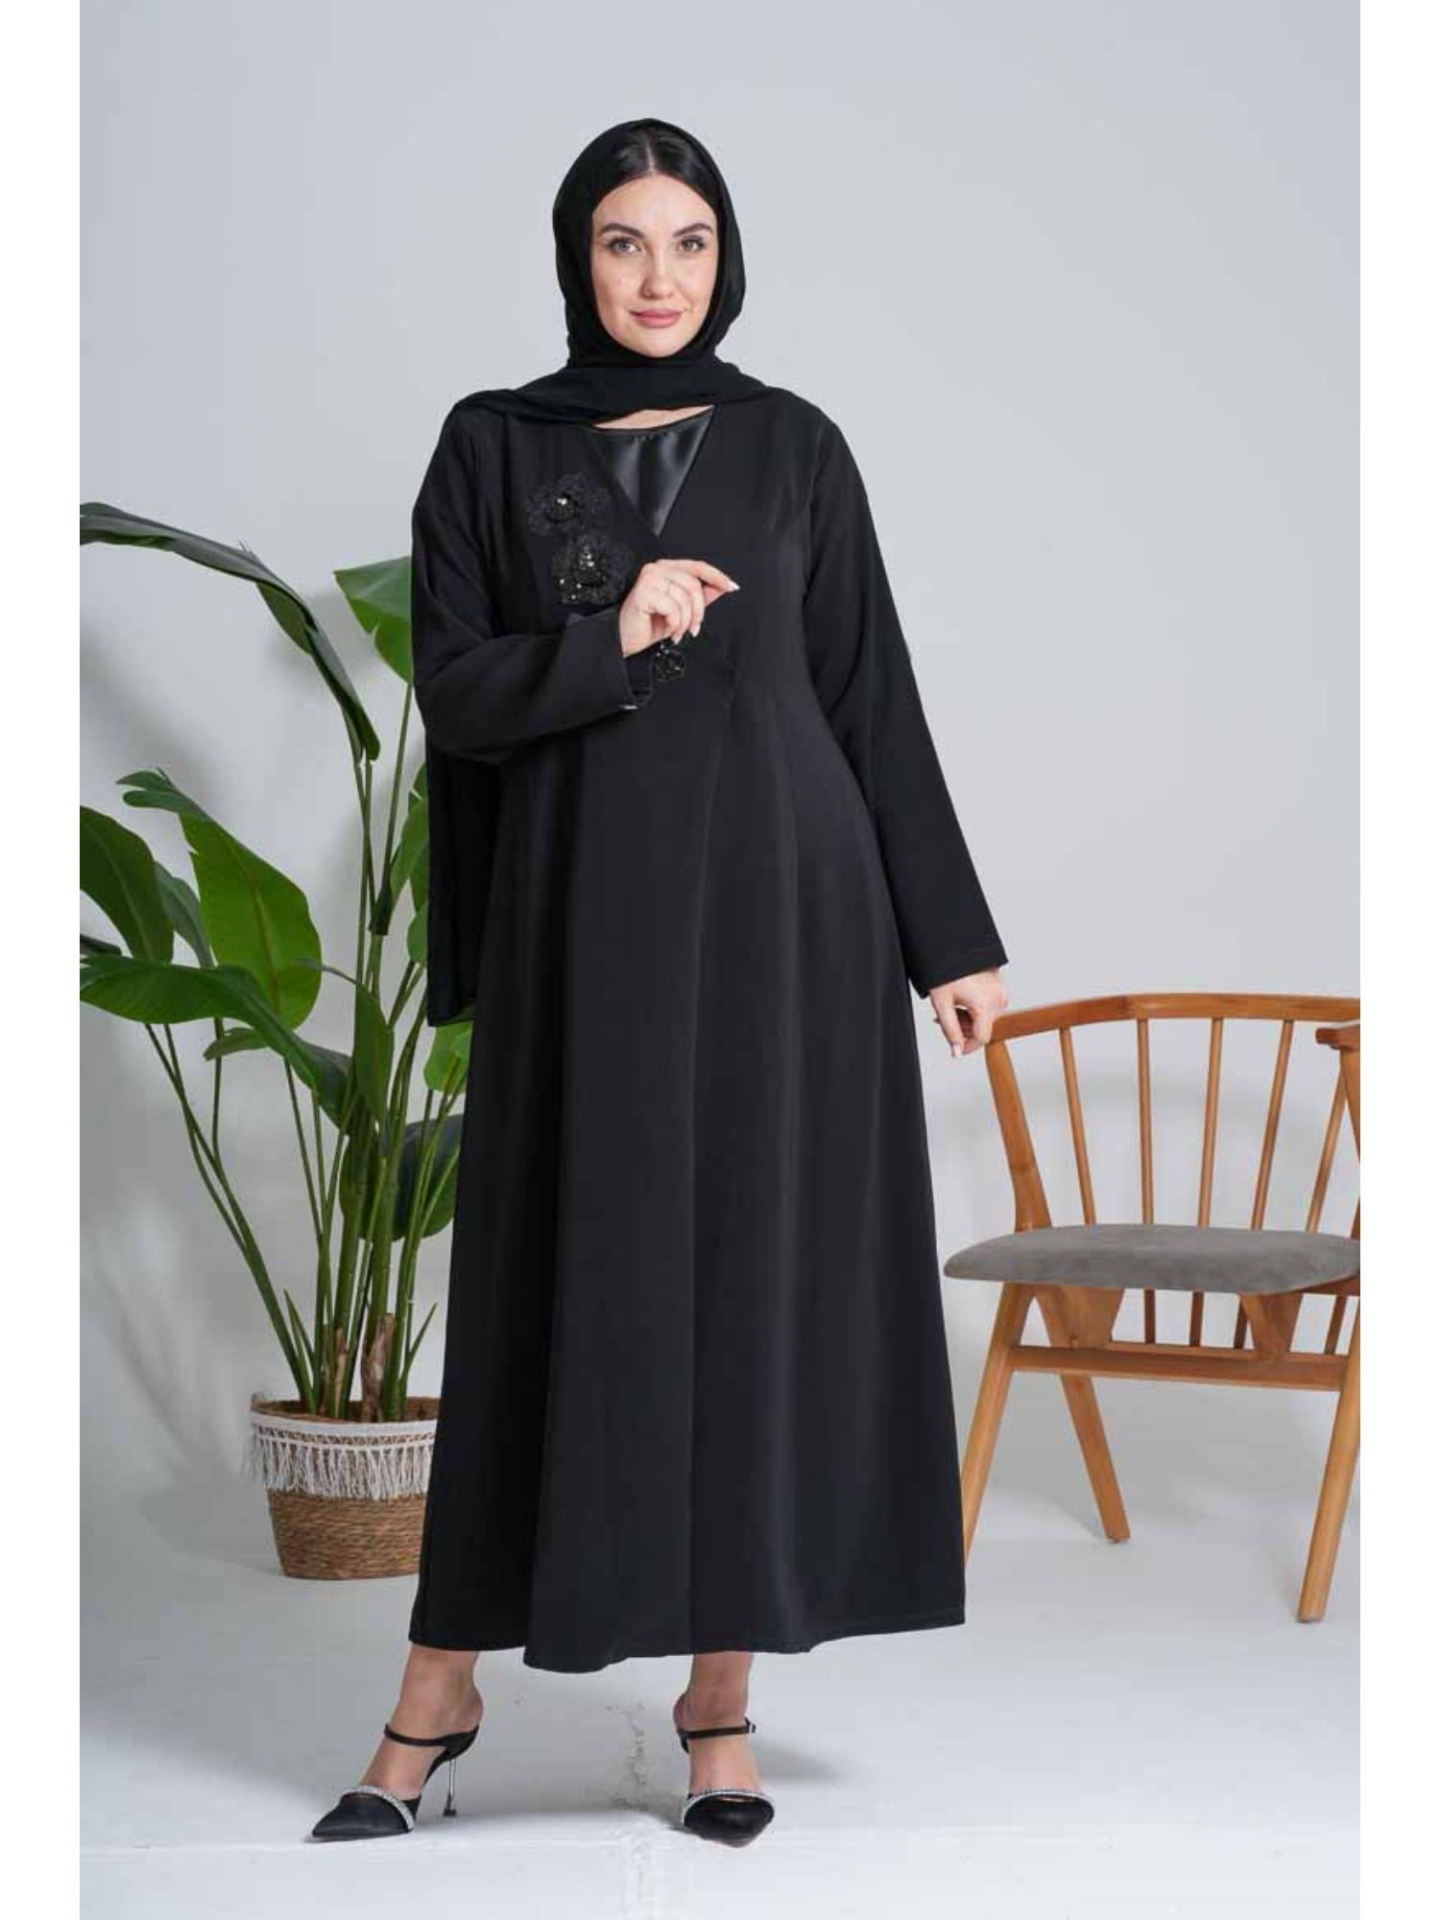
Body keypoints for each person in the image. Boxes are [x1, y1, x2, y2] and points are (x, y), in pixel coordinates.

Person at [312, 115, 1009, 1850]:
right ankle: (439, 1689)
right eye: (623, 242)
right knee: (558, 1281)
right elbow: (457, 692)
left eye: (687, 242)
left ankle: (719, 1702)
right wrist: (608, 639)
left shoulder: (793, 446)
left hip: (787, 915)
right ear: (578, 257)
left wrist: (950, 937)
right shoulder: (493, 444)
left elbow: (867, 691)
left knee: (750, 1288)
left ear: (725, 259)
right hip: (581, 921)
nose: (657, 277)